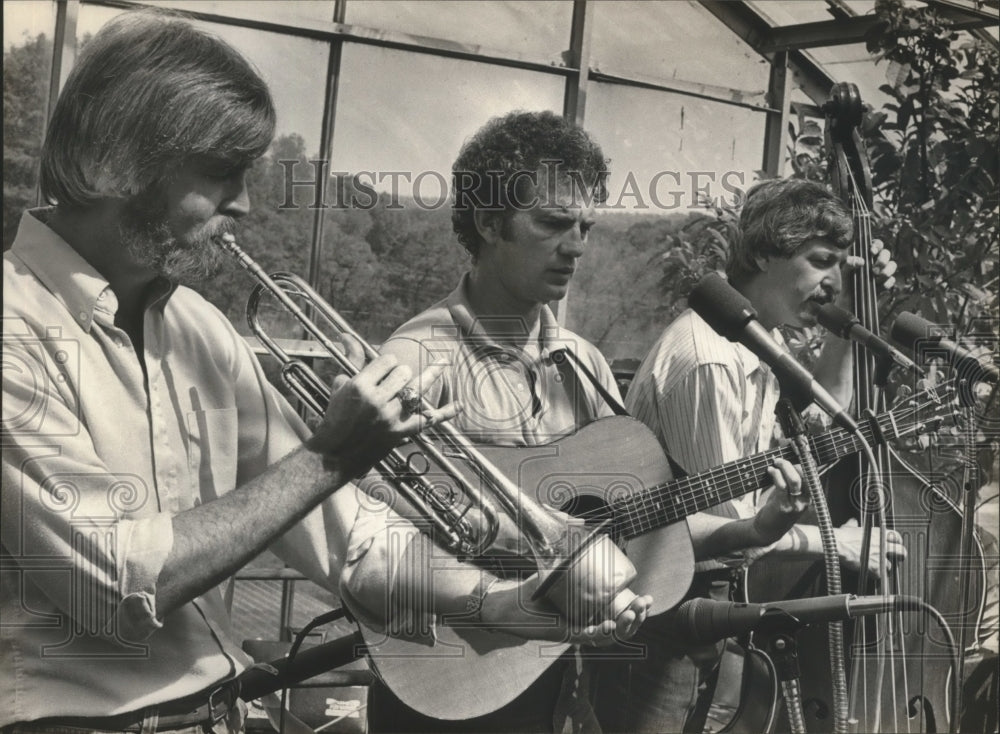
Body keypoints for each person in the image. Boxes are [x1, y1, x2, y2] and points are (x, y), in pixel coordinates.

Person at [0, 13, 606, 732]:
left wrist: (497, 602)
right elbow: (119, 581)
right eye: (221, 172)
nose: (245, 204)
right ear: (112, 162)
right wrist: (329, 457)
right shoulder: (16, 326)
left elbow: (355, 542)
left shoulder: (198, 327)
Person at [358, 110, 805, 734]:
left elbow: (641, 517)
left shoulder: (584, 363)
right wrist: (502, 593)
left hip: (556, 687)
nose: (577, 246)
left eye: (585, 226)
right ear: (488, 222)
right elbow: (365, 550)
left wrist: (753, 527)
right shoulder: (414, 362)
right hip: (449, 688)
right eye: (551, 224)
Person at [593, 178, 907, 733]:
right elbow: (726, 535)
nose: (832, 282)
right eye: (820, 261)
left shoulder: (757, 342)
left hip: (700, 611)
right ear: (763, 251)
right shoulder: (709, 358)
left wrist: (855, 317)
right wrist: (837, 542)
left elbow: (821, 422)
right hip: (657, 616)